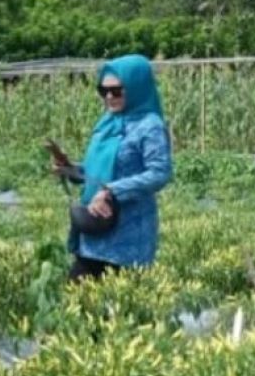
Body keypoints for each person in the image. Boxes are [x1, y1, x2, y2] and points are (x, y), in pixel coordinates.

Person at [52, 55, 173, 281]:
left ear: (136, 87)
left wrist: (111, 190)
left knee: (120, 307)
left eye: (116, 90)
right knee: (77, 300)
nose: (109, 97)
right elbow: (97, 171)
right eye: (103, 91)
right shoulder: (107, 123)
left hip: (128, 237)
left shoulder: (150, 126)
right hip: (93, 231)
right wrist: (71, 170)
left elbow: (160, 172)